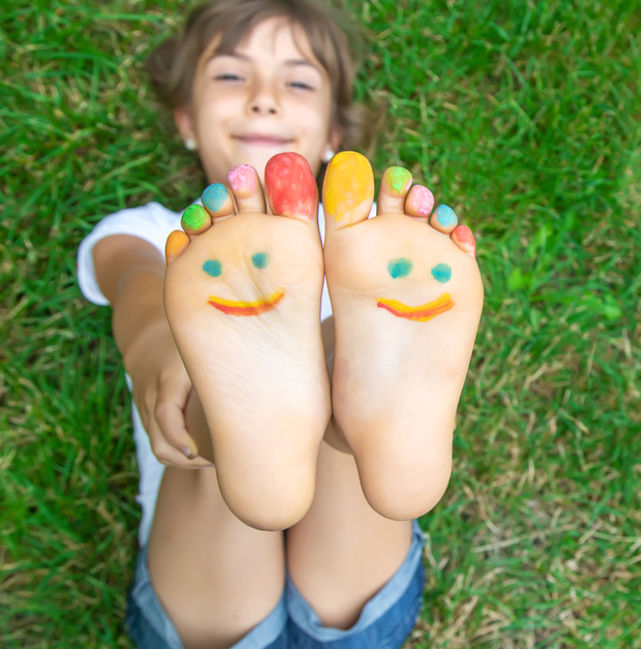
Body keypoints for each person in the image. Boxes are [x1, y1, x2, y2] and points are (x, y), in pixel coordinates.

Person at [75, 1, 483, 647]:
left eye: (297, 82)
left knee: (331, 404)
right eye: (232, 77)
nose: (264, 99)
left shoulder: (372, 254)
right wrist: (163, 353)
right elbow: (136, 284)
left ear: (332, 135)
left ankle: (339, 396)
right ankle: (265, 397)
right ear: (185, 119)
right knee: (202, 395)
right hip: (336, 605)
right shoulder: (160, 233)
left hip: (206, 610)